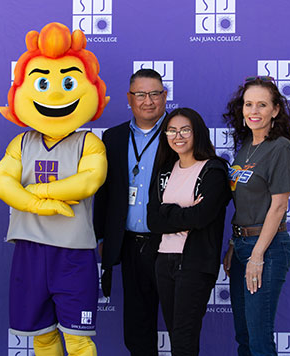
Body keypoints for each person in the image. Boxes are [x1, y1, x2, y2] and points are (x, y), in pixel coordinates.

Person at [0, 23, 108, 356]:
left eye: (68, 82)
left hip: (73, 252)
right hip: (30, 250)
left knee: (79, 340)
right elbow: (2, 182)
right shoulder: (21, 142)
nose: (55, 94)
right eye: (43, 83)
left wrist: (37, 193)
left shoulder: (89, 142)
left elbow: (88, 181)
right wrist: (35, 204)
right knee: (42, 337)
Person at [222, 76, 290, 356]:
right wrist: (234, 245)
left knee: (259, 339)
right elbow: (244, 202)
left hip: (266, 249)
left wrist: (256, 256)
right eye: (248, 104)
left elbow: (279, 206)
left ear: (275, 110)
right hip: (241, 246)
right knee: (243, 336)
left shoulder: (280, 147)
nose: (253, 111)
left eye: (262, 105)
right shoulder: (245, 149)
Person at [93, 68, 167, 356]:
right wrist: (102, 236)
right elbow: (104, 193)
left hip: (171, 243)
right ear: (129, 98)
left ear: (164, 96)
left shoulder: (179, 133)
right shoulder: (112, 138)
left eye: (155, 94)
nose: (148, 101)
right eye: (140, 94)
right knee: (137, 327)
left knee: (179, 322)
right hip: (131, 243)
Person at [147, 108, 231, 356]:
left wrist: (167, 212)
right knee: (175, 334)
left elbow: (202, 216)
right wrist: (180, 213)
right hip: (163, 260)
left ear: (198, 133)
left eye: (185, 130)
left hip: (194, 263)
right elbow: (153, 220)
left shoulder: (213, 170)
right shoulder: (165, 170)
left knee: (184, 336)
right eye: (171, 130)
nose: (177, 135)